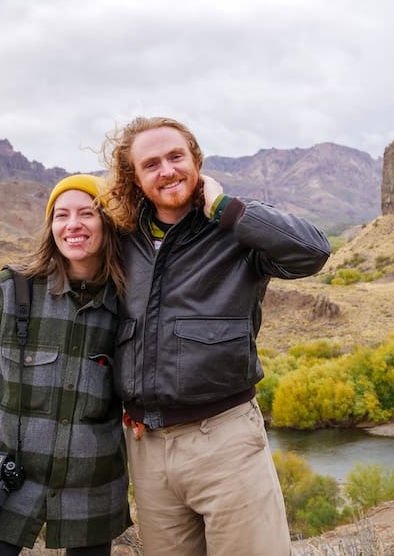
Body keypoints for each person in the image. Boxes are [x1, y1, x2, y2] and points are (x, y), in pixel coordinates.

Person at [101, 116, 331, 555]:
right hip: (147, 450)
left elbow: (314, 252)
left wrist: (226, 208)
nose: (166, 170)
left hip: (225, 441)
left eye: (175, 157)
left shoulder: (235, 232)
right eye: (151, 164)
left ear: (196, 161)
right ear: (135, 178)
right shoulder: (123, 241)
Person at [0, 174, 131, 556]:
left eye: (87, 213)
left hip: (91, 491)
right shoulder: (15, 288)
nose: (72, 225)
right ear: (51, 226)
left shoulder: (129, 302)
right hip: (5, 485)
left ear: (107, 224)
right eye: (61, 215)